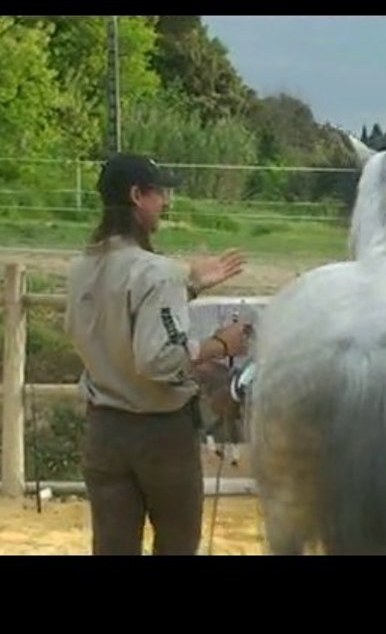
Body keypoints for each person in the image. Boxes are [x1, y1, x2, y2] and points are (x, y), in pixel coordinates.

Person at [64, 153, 250, 556]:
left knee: (112, 547)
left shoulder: (81, 268)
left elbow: (114, 324)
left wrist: (190, 286)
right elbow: (158, 358)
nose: (165, 202)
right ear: (137, 196)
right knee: (178, 544)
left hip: (104, 431)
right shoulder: (158, 272)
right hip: (160, 434)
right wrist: (220, 345)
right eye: (159, 193)